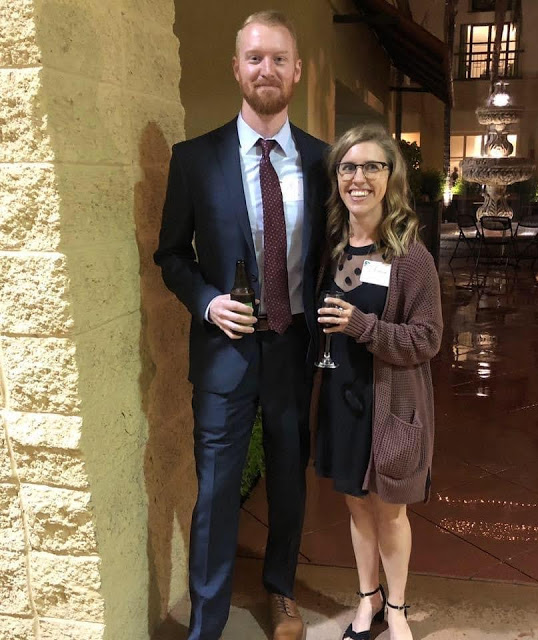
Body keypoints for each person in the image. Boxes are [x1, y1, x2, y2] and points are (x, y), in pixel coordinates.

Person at [154, 11, 328, 640]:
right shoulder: (194, 160)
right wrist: (206, 302)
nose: (267, 69)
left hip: (295, 345)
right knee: (216, 491)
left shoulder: (324, 162)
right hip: (223, 350)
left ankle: (281, 589)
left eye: (279, 58)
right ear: (236, 68)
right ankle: (207, 619)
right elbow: (171, 254)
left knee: (287, 480)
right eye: (255, 58)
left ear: (297, 71)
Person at [313, 124, 443, 640]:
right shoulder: (331, 248)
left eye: (372, 166)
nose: (359, 178)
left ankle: (397, 608)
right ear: (337, 177)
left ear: (391, 177)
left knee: (389, 512)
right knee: (355, 505)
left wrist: (362, 327)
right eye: (348, 167)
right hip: (341, 397)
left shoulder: (411, 256)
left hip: (390, 403)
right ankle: (367, 600)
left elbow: (428, 338)